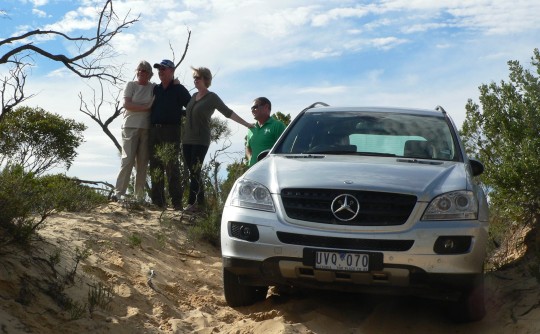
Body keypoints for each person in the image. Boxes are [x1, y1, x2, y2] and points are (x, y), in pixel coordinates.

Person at [182, 66, 253, 212]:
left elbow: (228, 112)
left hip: (200, 139)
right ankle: (200, 203)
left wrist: (246, 123)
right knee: (192, 171)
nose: (195, 80)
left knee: (195, 170)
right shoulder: (193, 96)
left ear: (206, 80)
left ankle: (192, 204)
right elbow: (187, 113)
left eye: (198, 77)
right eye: (194, 77)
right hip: (187, 139)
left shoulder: (212, 97)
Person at [149, 59, 191, 209]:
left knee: (172, 167)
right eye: (159, 69)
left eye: (163, 69)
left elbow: (191, 107)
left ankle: (176, 203)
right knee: (155, 166)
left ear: (172, 71)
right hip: (154, 130)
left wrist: (177, 113)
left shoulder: (179, 89)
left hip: (171, 131)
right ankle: (158, 203)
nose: (160, 71)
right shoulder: (156, 89)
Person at [112, 60, 154, 202]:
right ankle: (118, 193)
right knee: (127, 160)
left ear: (149, 74)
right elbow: (127, 104)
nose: (141, 72)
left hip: (146, 127)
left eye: (144, 70)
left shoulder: (153, 87)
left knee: (142, 163)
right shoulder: (130, 85)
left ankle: (139, 196)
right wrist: (146, 107)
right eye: (139, 70)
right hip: (130, 126)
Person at [245, 97, 286, 167]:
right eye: (251, 108)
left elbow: (285, 148)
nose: (252, 110)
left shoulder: (278, 126)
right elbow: (248, 148)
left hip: (271, 171)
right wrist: (250, 159)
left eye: (255, 107)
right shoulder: (251, 129)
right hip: (253, 172)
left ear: (266, 107)